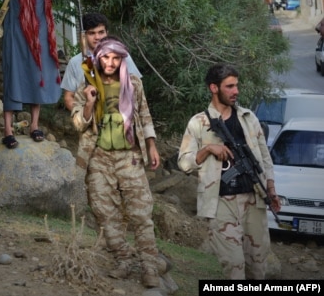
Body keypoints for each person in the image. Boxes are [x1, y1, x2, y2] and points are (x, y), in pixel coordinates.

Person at [71, 37, 161, 288]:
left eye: (115, 58)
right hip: (98, 157)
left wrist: (152, 146)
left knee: (141, 213)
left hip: (129, 155)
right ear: (97, 58)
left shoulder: (133, 84)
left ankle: (149, 265)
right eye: (105, 58)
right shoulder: (86, 86)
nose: (110, 63)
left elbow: (144, 114)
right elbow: (78, 124)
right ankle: (123, 258)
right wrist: (89, 103)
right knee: (104, 212)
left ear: (122, 59)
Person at [178, 64, 280, 280]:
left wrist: (270, 188)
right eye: (230, 86)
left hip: (255, 198)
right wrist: (207, 150)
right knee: (234, 267)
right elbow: (184, 163)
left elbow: (265, 157)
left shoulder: (249, 118)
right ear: (213, 88)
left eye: (237, 86)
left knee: (258, 268)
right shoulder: (199, 122)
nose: (236, 91)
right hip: (221, 202)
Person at [0, 0, 70, 149]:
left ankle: (34, 125)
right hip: (16, 40)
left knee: (38, 78)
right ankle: (8, 130)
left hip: (41, 41)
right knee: (13, 78)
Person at [61, 12, 142, 112]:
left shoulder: (122, 56)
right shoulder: (75, 62)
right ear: (84, 35)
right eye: (92, 33)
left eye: (101, 32)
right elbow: (68, 98)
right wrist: (85, 117)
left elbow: (137, 89)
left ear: (107, 33)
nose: (97, 37)